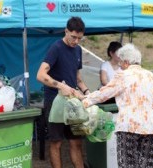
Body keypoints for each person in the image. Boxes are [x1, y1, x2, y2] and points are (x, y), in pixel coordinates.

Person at [80, 43, 153, 168]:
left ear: (126, 62)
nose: (119, 65)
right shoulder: (152, 76)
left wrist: (84, 102)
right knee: (147, 165)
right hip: (151, 129)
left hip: (128, 127)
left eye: (120, 62)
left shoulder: (123, 76)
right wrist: (151, 121)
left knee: (127, 165)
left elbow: (104, 93)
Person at [36, 16, 89, 168]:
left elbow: (78, 78)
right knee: (56, 142)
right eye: (73, 37)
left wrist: (87, 92)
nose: (76, 41)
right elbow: (40, 75)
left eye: (80, 38)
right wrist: (60, 86)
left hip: (72, 103)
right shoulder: (56, 48)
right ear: (66, 31)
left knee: (76, 142)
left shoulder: (78, 50)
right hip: (55, 102)